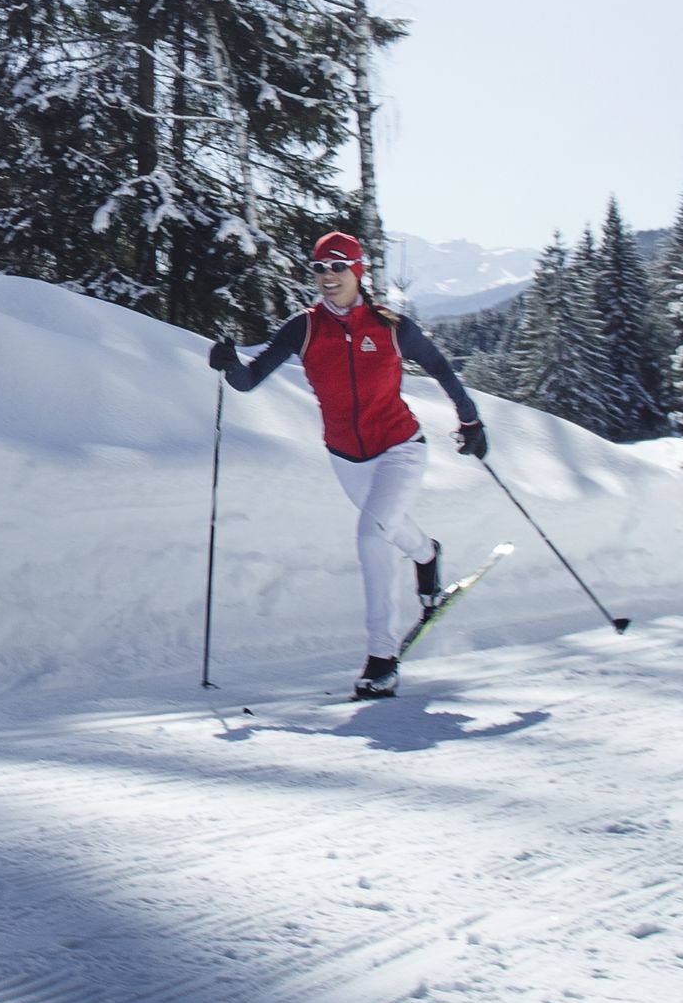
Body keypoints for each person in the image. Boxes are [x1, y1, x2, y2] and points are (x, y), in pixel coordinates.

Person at [205, 230, 488, 700]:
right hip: (347, 458)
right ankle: (428, 555)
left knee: (370, 534)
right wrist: (229, 363)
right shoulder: (305, 327)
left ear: (358, 270)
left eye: (337, 266)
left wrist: (470, 419)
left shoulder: (391, 326)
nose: (327, 276)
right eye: (319, 267)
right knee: (387, 526)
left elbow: (440, 367)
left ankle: (382, 658)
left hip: (401, 446)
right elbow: (251, 379)